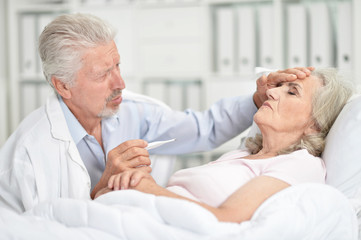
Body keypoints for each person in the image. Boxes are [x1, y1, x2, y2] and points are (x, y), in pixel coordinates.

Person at [0, 13, 312, 213]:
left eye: (118, 65)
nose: (120, 83)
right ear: (62, 86)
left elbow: (204, 129)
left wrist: (257, 100)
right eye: (102, 75)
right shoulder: (26, 155)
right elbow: (45, 229)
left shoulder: (136, 114)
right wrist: (103, 187)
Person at [95, 68, 354, 223]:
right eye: (279, 87)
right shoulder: (243, 154)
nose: (272, 93)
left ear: (315, 125)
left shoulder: (300, 165)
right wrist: (117, 187)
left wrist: (149, 189)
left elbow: (226, 221)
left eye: (292, 92)